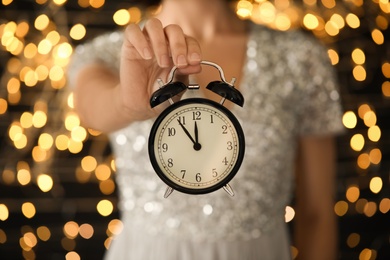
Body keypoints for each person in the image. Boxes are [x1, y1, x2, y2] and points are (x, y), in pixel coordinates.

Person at [68, 0, 344, 259]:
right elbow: (93, 109)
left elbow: (317, 213)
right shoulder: (115, 53)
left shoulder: (300, 59)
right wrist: (129, 105)